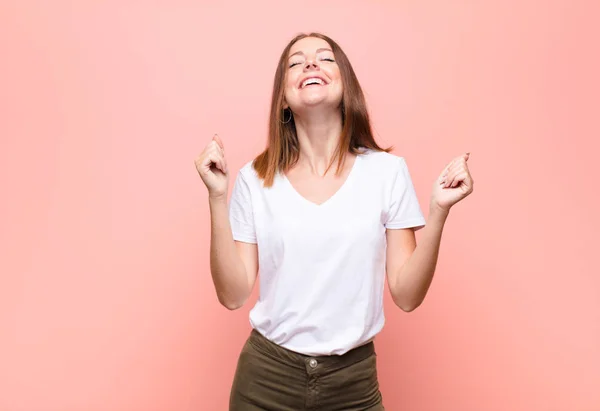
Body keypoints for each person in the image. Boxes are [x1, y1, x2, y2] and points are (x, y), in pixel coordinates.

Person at [195, 32, 474, 411]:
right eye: (296, 62)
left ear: (347, 86)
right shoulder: (253, 179)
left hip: (353, 385)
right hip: (265, 381)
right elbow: (232, 294)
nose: (310, 63)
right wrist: (216, 196)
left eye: (325, 58)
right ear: (283, 98)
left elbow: (407, 296)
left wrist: (439, 211)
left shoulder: (386, 173)